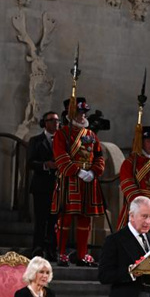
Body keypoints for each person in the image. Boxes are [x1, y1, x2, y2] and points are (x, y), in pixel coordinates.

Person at [52, 97, 105, 267]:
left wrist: (94, 171)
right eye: (79, 113)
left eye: (84, 113)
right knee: (65, 218)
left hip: (88, 181)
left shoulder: (91, 135)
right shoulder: (62, 133)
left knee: (85, 219)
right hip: (70, 179)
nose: (82, 116)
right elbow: (60, 157)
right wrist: (77, 171)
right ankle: (61, 253)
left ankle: (82, 254)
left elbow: (99, 157)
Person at [117, 126, 150, 230]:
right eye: (148, 141)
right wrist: (142, 204)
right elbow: (127, 185)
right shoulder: (130, 162)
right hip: (137, 206)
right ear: (141, 142)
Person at [27, 111, 59, 260]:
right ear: (44, 123)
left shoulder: (63, 141)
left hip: (57, 186)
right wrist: (46, 165)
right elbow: (30, 162)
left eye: (57, 120)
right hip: (41, 185)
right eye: (52, 120)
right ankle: (37, 248)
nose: (55, 123)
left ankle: (52, 249)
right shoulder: (36, 140)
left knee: (54, 220)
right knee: (41, 219)